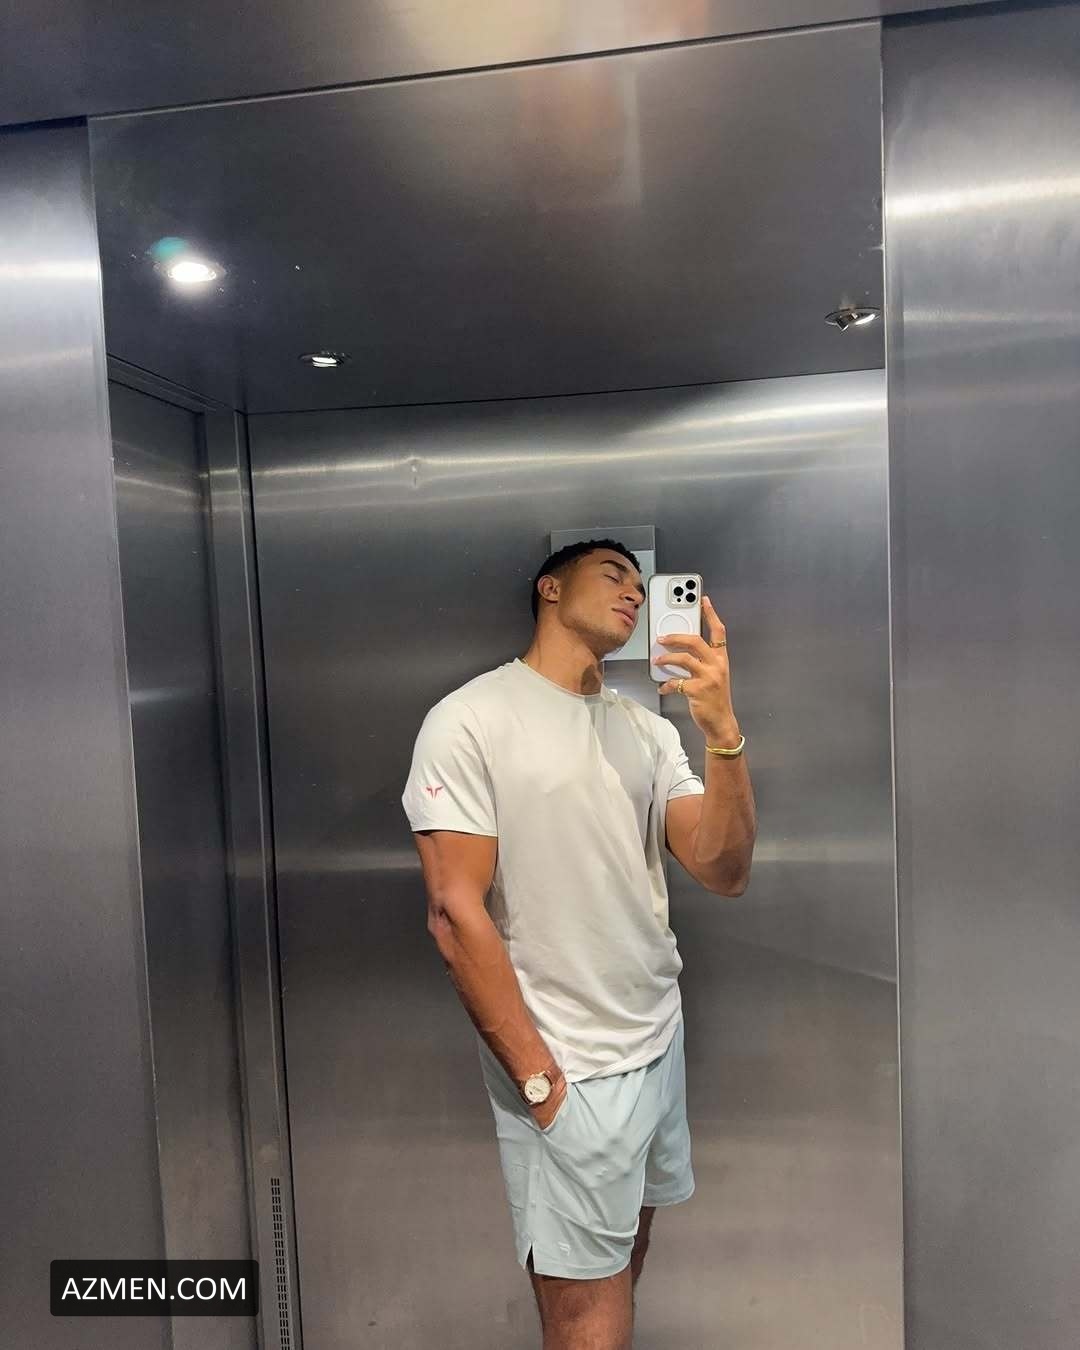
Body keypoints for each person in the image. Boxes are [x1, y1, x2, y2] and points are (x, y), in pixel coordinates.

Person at [401, 539, 756, 1350]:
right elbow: (454, 912)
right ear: (550, 589)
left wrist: (723, 734)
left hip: (657, 1044)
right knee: (584, 1318)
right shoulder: (471, 719)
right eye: (613, 574)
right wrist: (540, 1083)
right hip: (567, 1062)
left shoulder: (648, 731)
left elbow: (724, 868)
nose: (634, 591)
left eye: (642, 582)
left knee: (625, 1263)